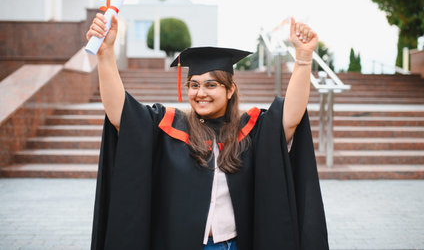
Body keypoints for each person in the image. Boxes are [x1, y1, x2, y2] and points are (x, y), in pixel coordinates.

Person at [86, 13, 329, 250]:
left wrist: (304, 58)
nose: (200, 93)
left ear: (230, 90)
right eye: (194, 85)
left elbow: (290, 119)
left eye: (211, 85)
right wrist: (105, 54)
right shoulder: (167, 125)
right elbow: (121, 114)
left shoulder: (251, 129)